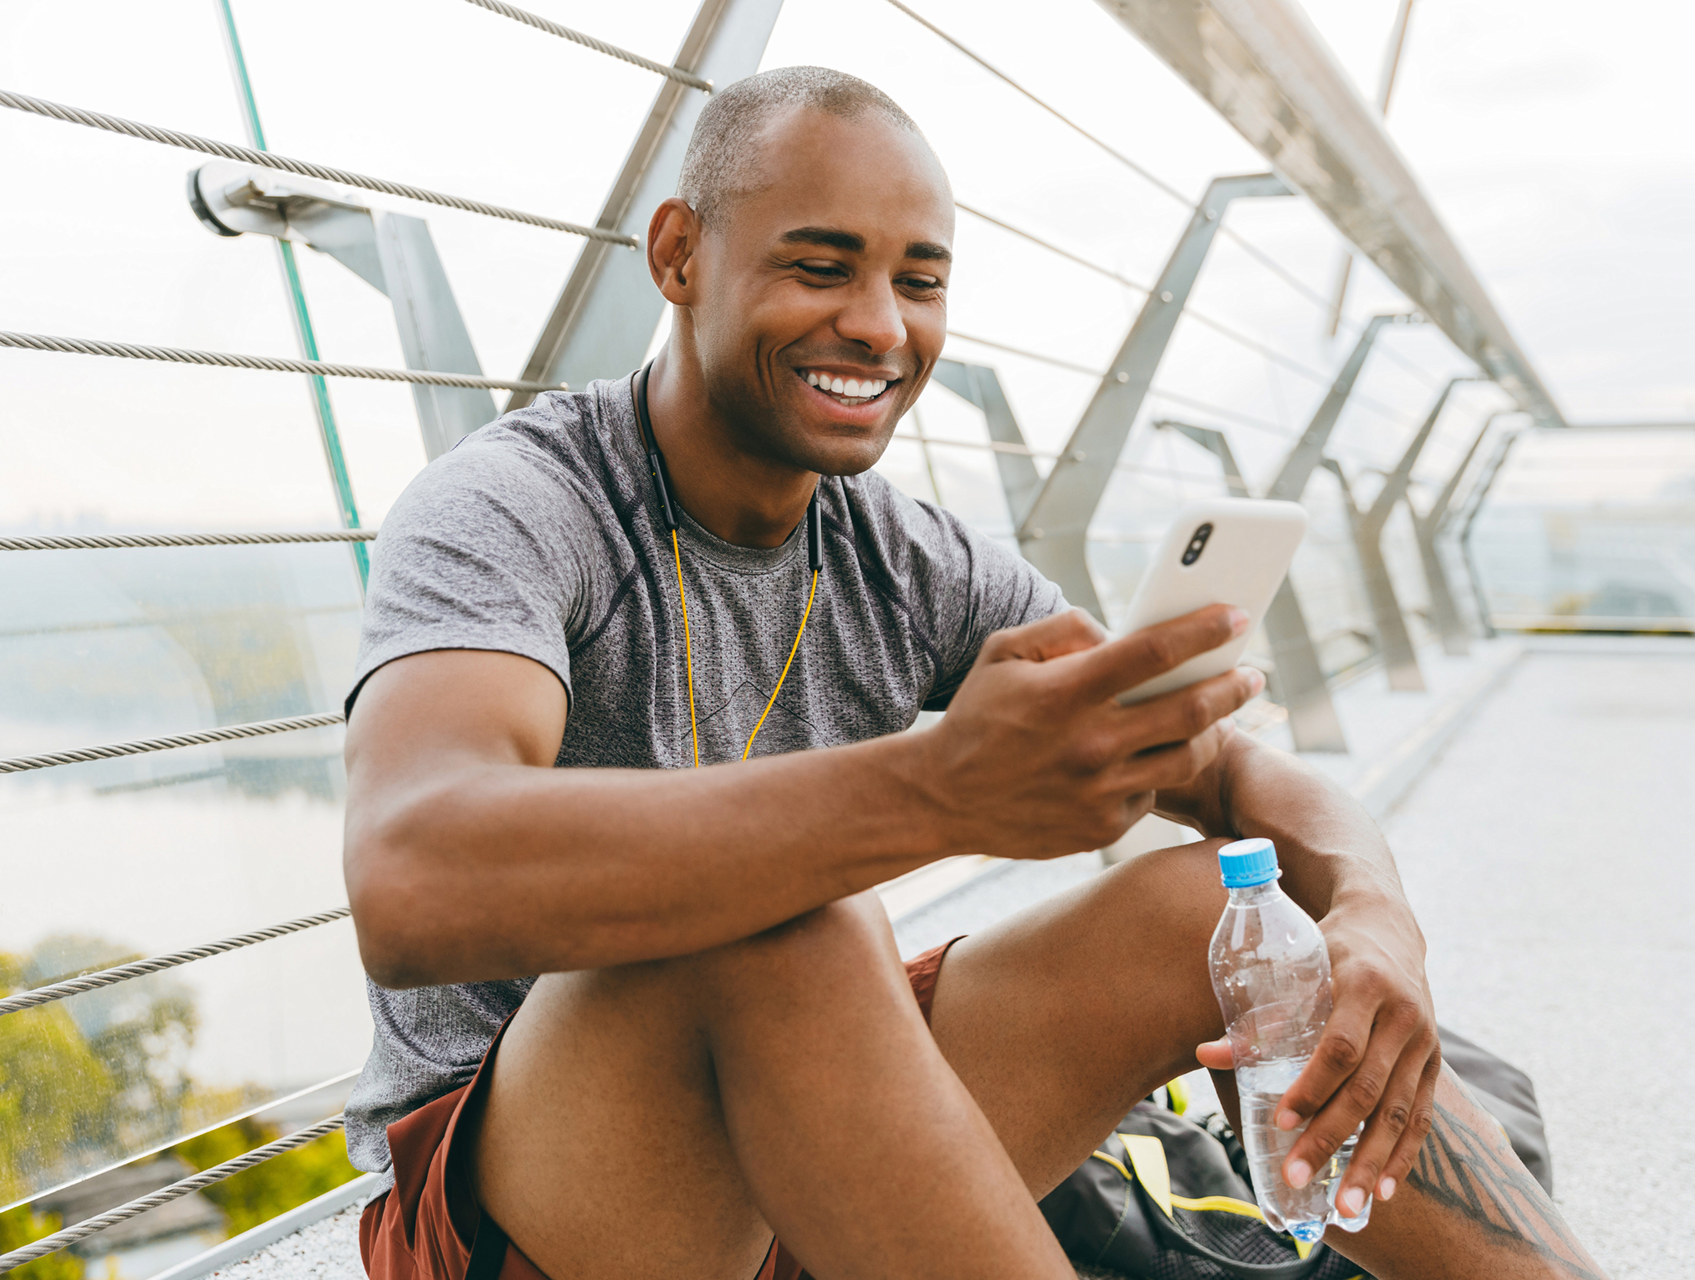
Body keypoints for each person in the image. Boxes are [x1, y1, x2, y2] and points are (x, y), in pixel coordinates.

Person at [341, 66, 1607, 1280]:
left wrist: (1379, 917)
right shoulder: (519, 505)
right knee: (784, 919)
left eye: (920, 279)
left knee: (1197, 913)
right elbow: (409, 874)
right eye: (821, 265)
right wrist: (941, 787)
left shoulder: (904, 551)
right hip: (543, 1204)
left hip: (821, 1149)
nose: (882, 326)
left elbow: (1238, 776)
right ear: (680, 254)